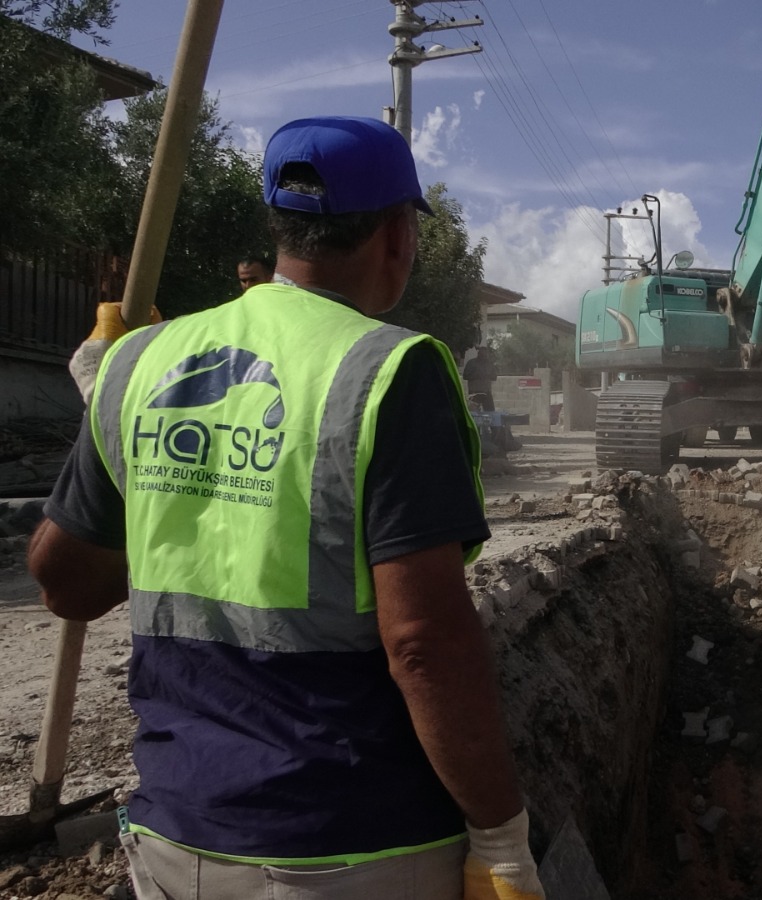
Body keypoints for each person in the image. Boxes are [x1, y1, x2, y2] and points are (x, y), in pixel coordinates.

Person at [28, 117, 543, 899]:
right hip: (349, 846)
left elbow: (67, 584)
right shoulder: (391, 370)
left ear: (282, 231)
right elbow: (424, 645)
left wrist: (117, 423)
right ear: (399, 236)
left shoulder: (141, 361)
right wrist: (502, 838)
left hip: (175, 837)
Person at [463, 344, 497, 411]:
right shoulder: (471, 363)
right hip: (474, 392)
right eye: (482, 354)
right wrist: (476, 375)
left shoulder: (489, 364)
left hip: (486, 392)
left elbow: (494, 377)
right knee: (474, 412)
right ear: (479, 354)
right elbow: (465, 376)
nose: (484, 356)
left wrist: (487, 375)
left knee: (490, 412)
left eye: (485, 354)